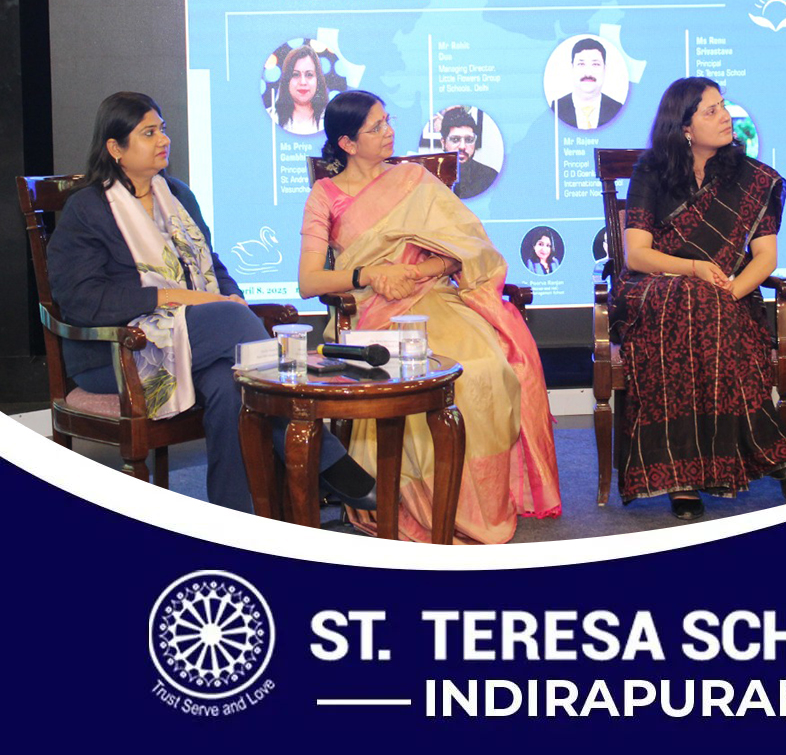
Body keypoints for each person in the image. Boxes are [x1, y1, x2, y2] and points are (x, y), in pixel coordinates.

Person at [47, 92, 374, 513]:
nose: (164, 139)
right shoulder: (87, 209)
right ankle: (329, 463)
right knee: (232, 323)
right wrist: (170, 296)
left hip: (191, 342)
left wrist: (230, 294)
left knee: (228, 383)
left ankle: (231, 516)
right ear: (115, 148)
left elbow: (211, 264)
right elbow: (80, 300)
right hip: (116, 353)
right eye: (149, 133)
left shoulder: (177, 195)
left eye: (163, 129)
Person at [299, 90, 561, 543]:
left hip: (433, 298)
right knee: (415, 378)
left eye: (387, 121)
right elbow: (309, 281)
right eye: (376, 127)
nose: (389, 132)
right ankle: (416, 502)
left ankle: (480, 502)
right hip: (372, 313)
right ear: (347, 143)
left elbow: (468, 249)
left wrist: (420, 271)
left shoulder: (414, 180)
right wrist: (370, 274)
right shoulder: (325, 195)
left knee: (483, 368)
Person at [613, 77, 786, 520]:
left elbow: (765, 257)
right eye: (711, 111)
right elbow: (637, 254)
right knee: (690, 299)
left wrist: (732, 291)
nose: (726, 116)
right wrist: (694, 268)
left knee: (705, 305)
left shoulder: (751, 178)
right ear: (684, 128)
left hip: (728, 298)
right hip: (654, 291)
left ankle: (691, 475)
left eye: (723, 106)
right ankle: (736, 451)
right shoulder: (652, 171)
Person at [553, 37, 623, 129]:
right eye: (581, 64)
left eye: (595, 64)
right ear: (572, 68)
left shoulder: (618, 110)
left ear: (605, 69)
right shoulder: (556, 108)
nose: (588, 73)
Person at [439, 106, 499, 199]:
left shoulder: (490, 177)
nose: (462, 146)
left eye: (469, 140)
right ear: (443, 143)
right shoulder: (430, 178)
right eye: (455, 139)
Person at [272, 44, 328, 134]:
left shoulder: (332, 119)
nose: (303, 82)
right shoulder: (272, 118)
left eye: (309, 75)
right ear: (287, 80)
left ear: (318, 80)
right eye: (296, 75)